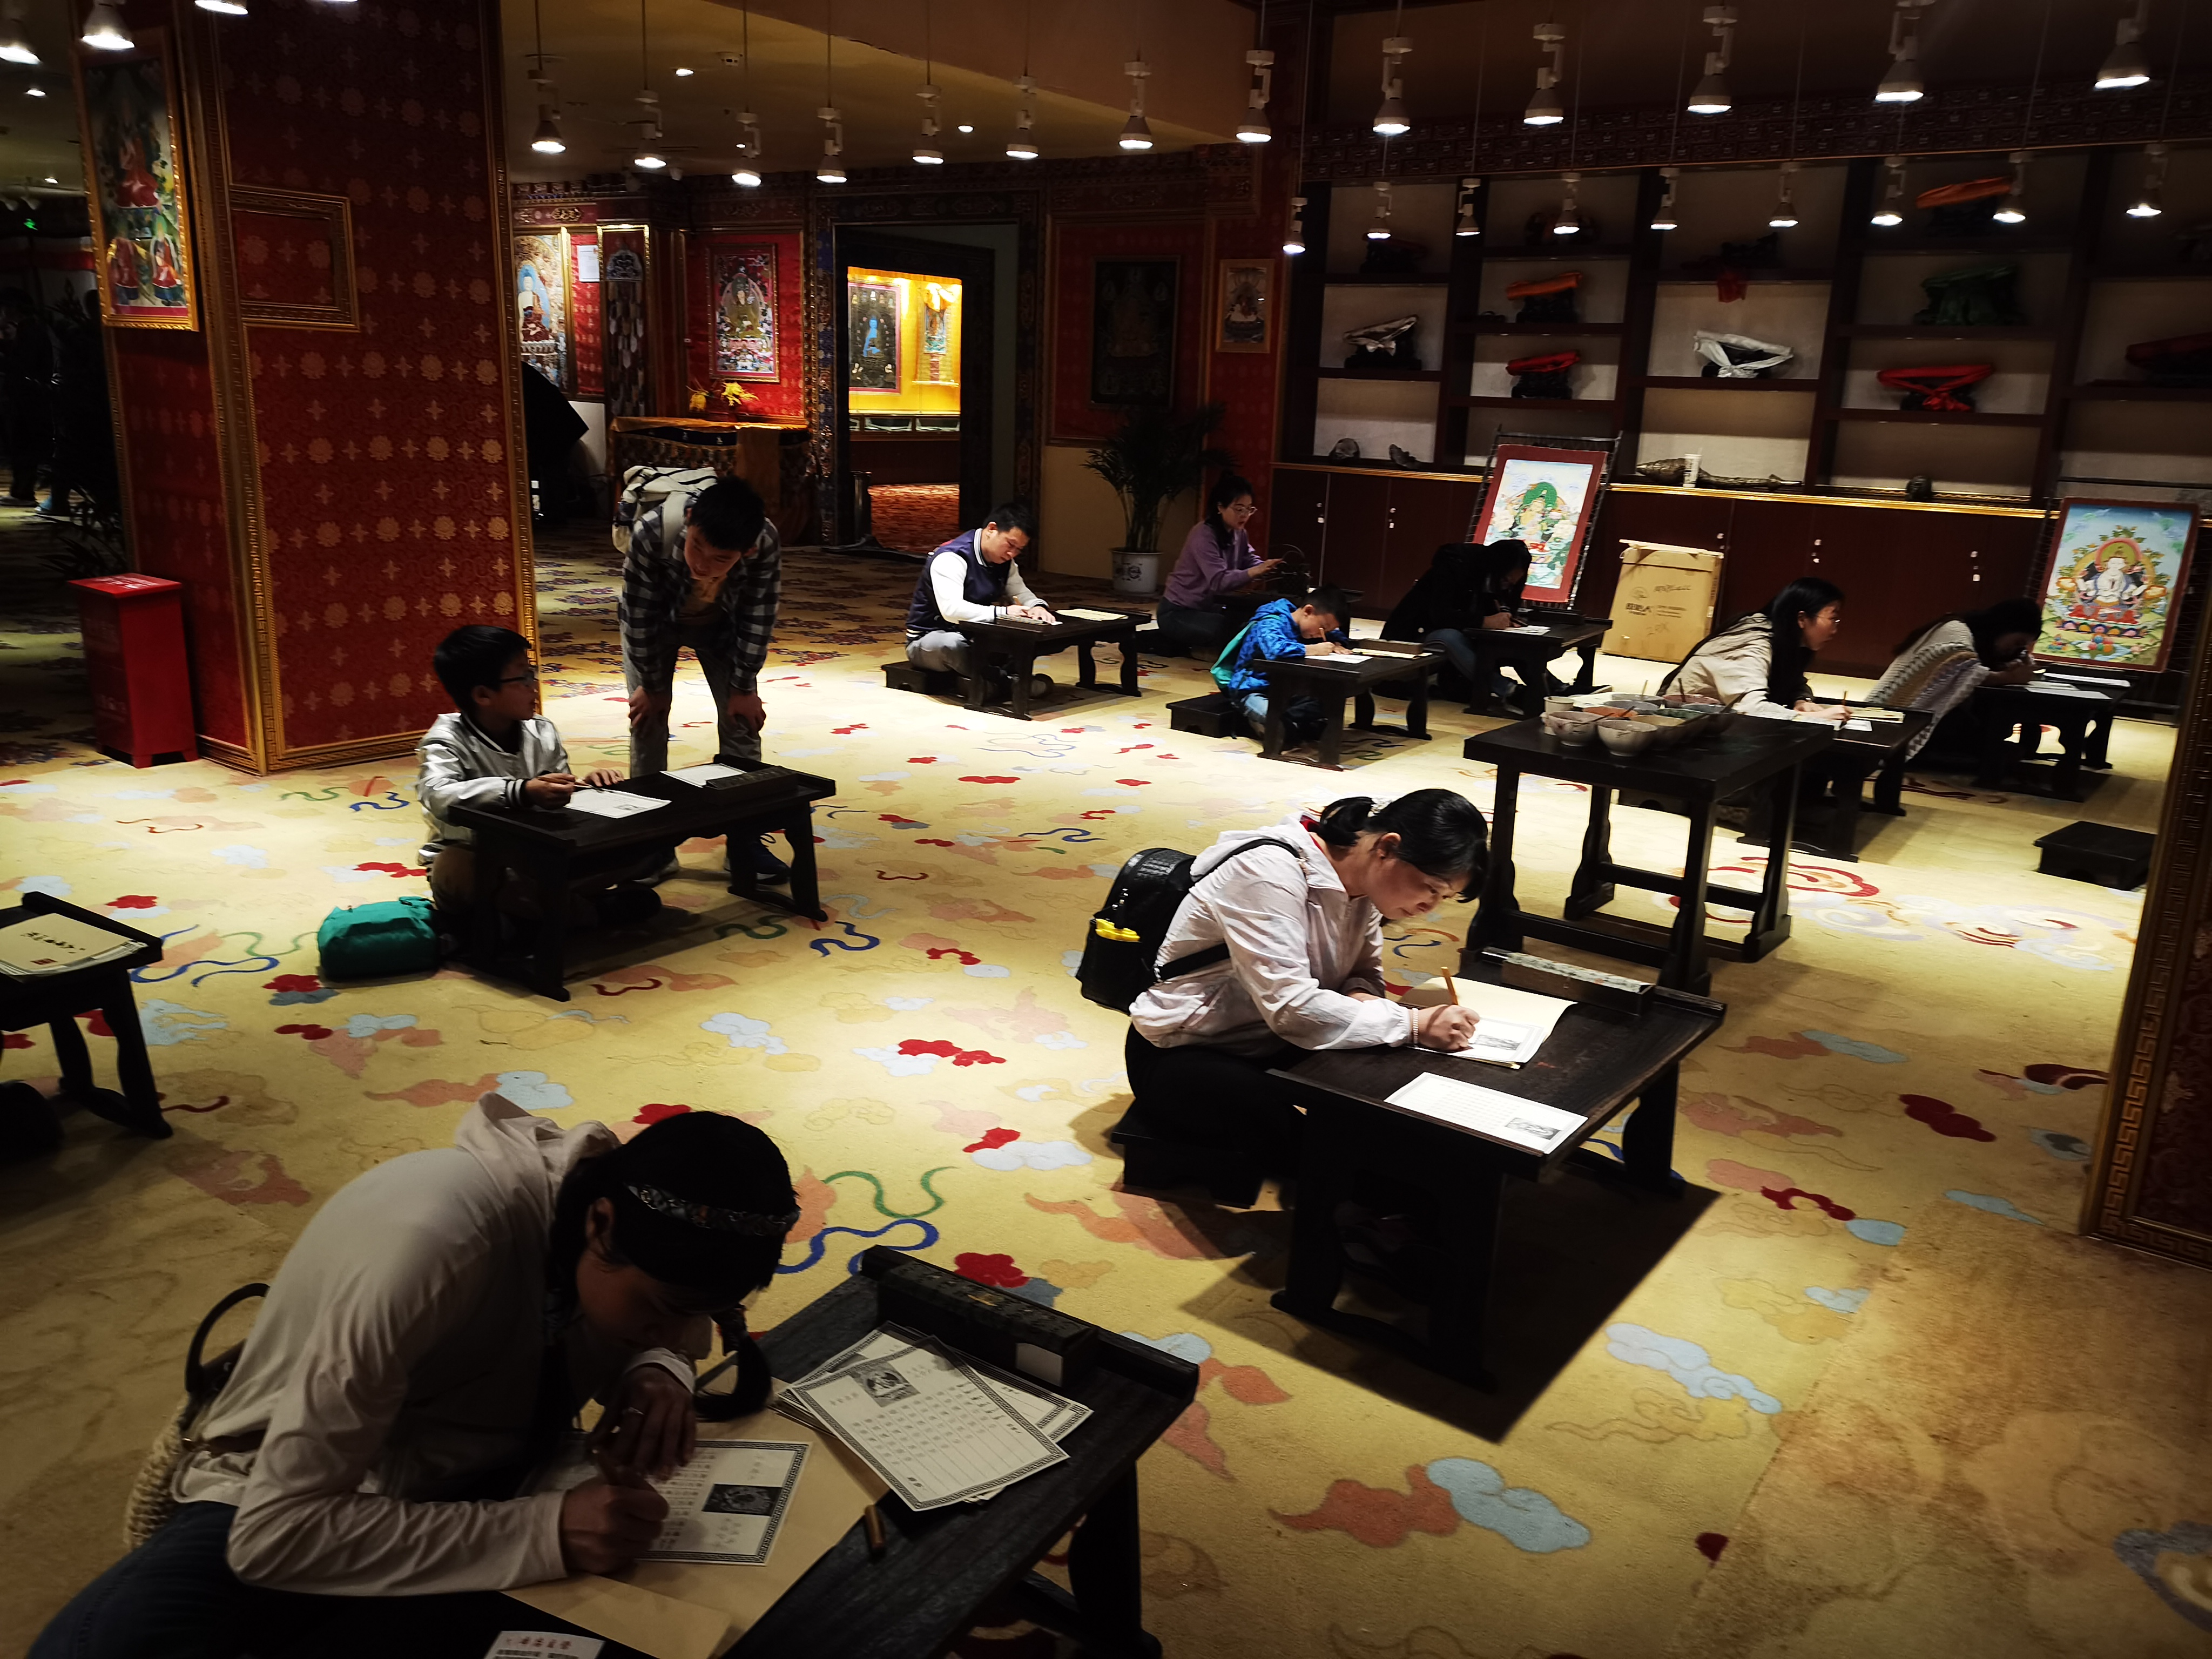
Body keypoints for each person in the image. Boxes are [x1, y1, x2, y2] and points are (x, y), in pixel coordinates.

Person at [31, 1100, 800, 1658]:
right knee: (96, 1647)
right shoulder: (430, 1242)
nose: (686, 1335)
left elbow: (660, 1311)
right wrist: (545, 1532)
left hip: (494, 1479)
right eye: (665, 1311)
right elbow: (277, 1537)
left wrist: (656, 1366)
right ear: (600, 1224)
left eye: (709, 1315)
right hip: (303, 1493)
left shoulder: (615, 1214)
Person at [1117, 791, 1488, 1178]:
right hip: (1188, 1047)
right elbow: (1291, 1007)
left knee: (1389, 1093)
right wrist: (1411, 1024)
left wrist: (1362, 997)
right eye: (1430, 887)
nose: (1431, 907)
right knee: (1323, 1155)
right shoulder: (1267, 872)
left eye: (1444, 897)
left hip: (1273, 1038)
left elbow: (1363, 974)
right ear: (1387, 848)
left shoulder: (1365, 885)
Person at [416, 624, 656, 929]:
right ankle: (592, 915)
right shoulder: (446, 740)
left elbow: (559, 791)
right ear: (483, 694)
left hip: (535, 853)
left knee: (646, 848)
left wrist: (585, 785)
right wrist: (521, 791)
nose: (535, 685)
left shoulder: (541, 729)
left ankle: (520, 923)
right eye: (524, 677)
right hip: (476, 855)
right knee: (458, 869)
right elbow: (438, 795)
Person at [617, 474, 787, 882]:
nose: (702, 565)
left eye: (720, 560)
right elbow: (639, 614)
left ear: (746, 551)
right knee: (648, 722)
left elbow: (758, 615)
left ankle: (745, 840)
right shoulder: (653, 533)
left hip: (723, 625)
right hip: (657, 623)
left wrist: (743, 687)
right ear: (690, 519)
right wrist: (652, 686)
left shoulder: (763, 542)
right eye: (696, 547)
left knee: (743, 724)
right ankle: (652, 843)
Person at [1381, 538, 1563, 713]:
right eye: (1505, 581)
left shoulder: (1493, 576)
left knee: (1516, 641)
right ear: (1496, 568)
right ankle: (1509, 691)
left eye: (1512, 584)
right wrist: (1485, 621)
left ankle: (1550, 689)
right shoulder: (1453, 569)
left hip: (1461, 635)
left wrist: (1507, 618)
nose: (1507, 587)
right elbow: (1441, 616)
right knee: (1449, 637)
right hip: (1414, 638)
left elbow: (1498, 607)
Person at [904, 501, 1057, 702]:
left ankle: (986, 683)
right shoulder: (952, 557)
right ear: (992, 529)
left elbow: (1020, 592)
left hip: (976, 637)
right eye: (1010, 545)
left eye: (1019, 550)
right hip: (929, 640)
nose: (1012, 554)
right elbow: (951, 610)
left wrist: (1037, 606)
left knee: (1021, 636)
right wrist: (1003, 613)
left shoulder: (1005, 562)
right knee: (952, 644)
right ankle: (1012, 685)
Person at [1871, 597, 2043, 762]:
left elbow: (1985, 666)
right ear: (2003, 628)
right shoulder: (1955, 630)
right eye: (2017, 643)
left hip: (1940, 717)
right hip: (1902, 717)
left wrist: (2019, 663)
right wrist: (2010, 677)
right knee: (1987, 737)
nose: (2016, 649)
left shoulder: (1982, 638)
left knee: (1993, 729)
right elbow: (1963, 669)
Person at [1662, 576, 1850, 719]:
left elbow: (1794, 682)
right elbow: (1751, 709)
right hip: (1684, 726)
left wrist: (1801, 700)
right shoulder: (1751, 643)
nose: (1835, 630)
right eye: (1833, 619)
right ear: (1802, 619)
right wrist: (1815, 717)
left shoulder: (1785, 639)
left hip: (1719, 726)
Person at [1152, 474, 1282, 657]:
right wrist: (1255, 571)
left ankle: (1192, 645)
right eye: (1239, 509)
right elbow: (1219, 581)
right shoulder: (1203, 535)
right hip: (1178, 612)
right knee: (1233, 631)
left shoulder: (1239, 533)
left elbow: (1249, 559)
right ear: (1220, 507)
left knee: (1252, 623)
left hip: (1208, 610)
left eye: (1249, 509)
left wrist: (1266, 568)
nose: (1245, 515)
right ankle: (1177, 643)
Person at [1213, 586, 1354, 747]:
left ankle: (1289, 724)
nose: (1323, 635)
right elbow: (1275, 650)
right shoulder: (1270, 622)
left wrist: (1337, 643)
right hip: (1253, 689)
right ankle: (1274, 724)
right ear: (1308, 611)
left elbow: (1336, 635)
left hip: (1289, 691)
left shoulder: (1308, 625)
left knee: (1329, 705)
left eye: (1328, 630)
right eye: (1323, 628)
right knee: (1283, 724)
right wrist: (1311, 649)